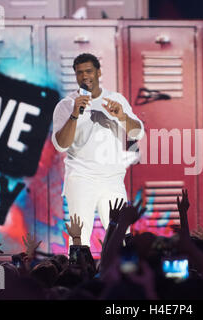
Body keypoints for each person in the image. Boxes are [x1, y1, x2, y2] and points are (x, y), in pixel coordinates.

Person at [52, 53, 144, 247]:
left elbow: (138, 132)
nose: (85, 76)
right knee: (79, 238)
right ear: (75, 76)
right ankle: (76, 275)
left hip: (112, 179)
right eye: (79, 73)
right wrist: (75, 115)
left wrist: (122, 117)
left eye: (89, 71)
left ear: (98, 72)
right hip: (80, 178)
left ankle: (121, 276)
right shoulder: (66, 105)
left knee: (121, 237)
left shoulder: (115, 99)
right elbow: (61, 145)